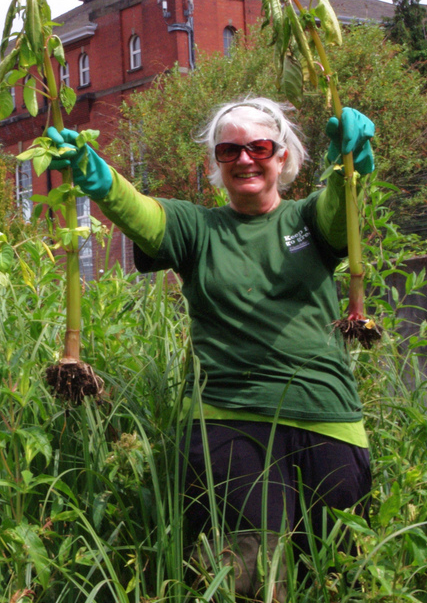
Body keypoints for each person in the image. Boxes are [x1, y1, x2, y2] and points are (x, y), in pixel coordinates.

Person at [47, 99, 376, 601]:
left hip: (326, 416)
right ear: (216, 165)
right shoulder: (197, 228)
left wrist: (345, 168)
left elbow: (338, 213)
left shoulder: (307, 221)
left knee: (341, 577)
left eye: (258, 147)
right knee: (248, 579)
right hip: (228, 424)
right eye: (229, 151)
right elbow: (142, 211)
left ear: (282, 157)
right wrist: (98, 175)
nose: (244, 159)